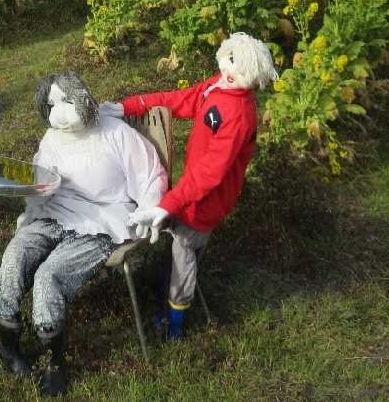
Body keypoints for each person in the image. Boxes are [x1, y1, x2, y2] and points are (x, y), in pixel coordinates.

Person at [0, 72, 166, 397]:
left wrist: (149, 208)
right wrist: (27, 197)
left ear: (83, 98)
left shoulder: (115, 133)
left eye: (66, 101)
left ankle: (54, 359)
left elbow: (150, 173)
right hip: (54, 212)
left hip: (102, 219)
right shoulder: (52, 138)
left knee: (49, 275)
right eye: (52, 104)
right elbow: (40, 176)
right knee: (16, 254)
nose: (59, 112)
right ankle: (8, 344)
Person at [106, 32, 278, 340]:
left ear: (252, 78)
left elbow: (211, 174)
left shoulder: (239, 116)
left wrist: (166, 205)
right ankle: (163, 296)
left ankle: (175, 326)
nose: (228, 73)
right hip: (188, 195)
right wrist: (129, 106)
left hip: (204, 205)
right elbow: (182, 99)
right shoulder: (218, 86)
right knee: (176, 251)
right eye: (228, 61)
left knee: (184, 257)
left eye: (237, 71)